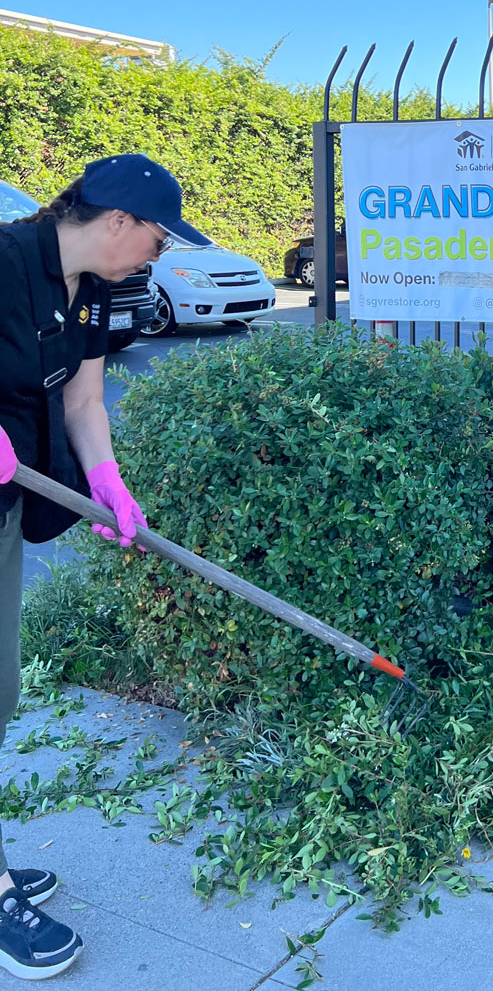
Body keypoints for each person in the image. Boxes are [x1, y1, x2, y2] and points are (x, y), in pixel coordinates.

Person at [0, 154, 210, 980]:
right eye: (158, 238)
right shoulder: (4, 261)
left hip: (7, 511)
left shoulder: (92, 289)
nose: (158, 254)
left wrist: (107, 482)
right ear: (116, 220)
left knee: (2, 690)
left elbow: (83, 402)